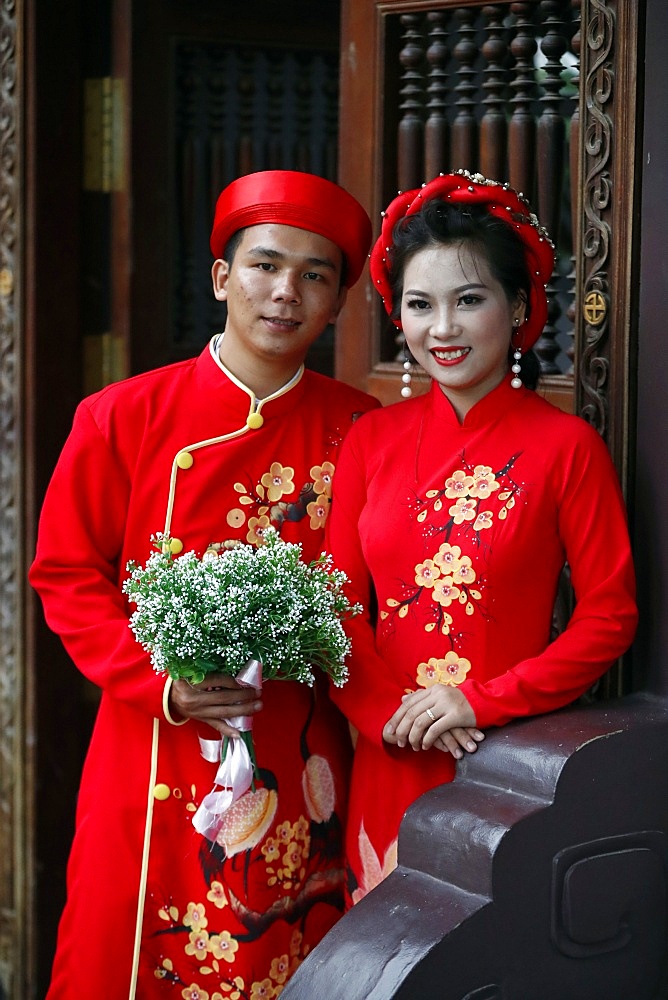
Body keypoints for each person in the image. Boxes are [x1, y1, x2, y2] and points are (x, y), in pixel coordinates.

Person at [29, 170, 380, 997]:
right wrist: (159, 683)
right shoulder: (121, 415)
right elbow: (67, 573)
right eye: (264, 265)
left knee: (278, 959)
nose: (285, 292)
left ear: (337, 303)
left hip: (297, 751)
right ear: (222, 277)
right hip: (147, 742)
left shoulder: (363, 428)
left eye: (316, 275)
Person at [324, 170, 638, 904]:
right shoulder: (370, 440)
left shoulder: (567, 447)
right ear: (397, 318)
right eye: (420, 305)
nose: (443, 328)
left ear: (520, 306)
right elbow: (332, 608)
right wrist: (388, 720)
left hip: (507, 757)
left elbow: (609, 615)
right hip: (389, 752)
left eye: (469, 300)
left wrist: (482, 701)